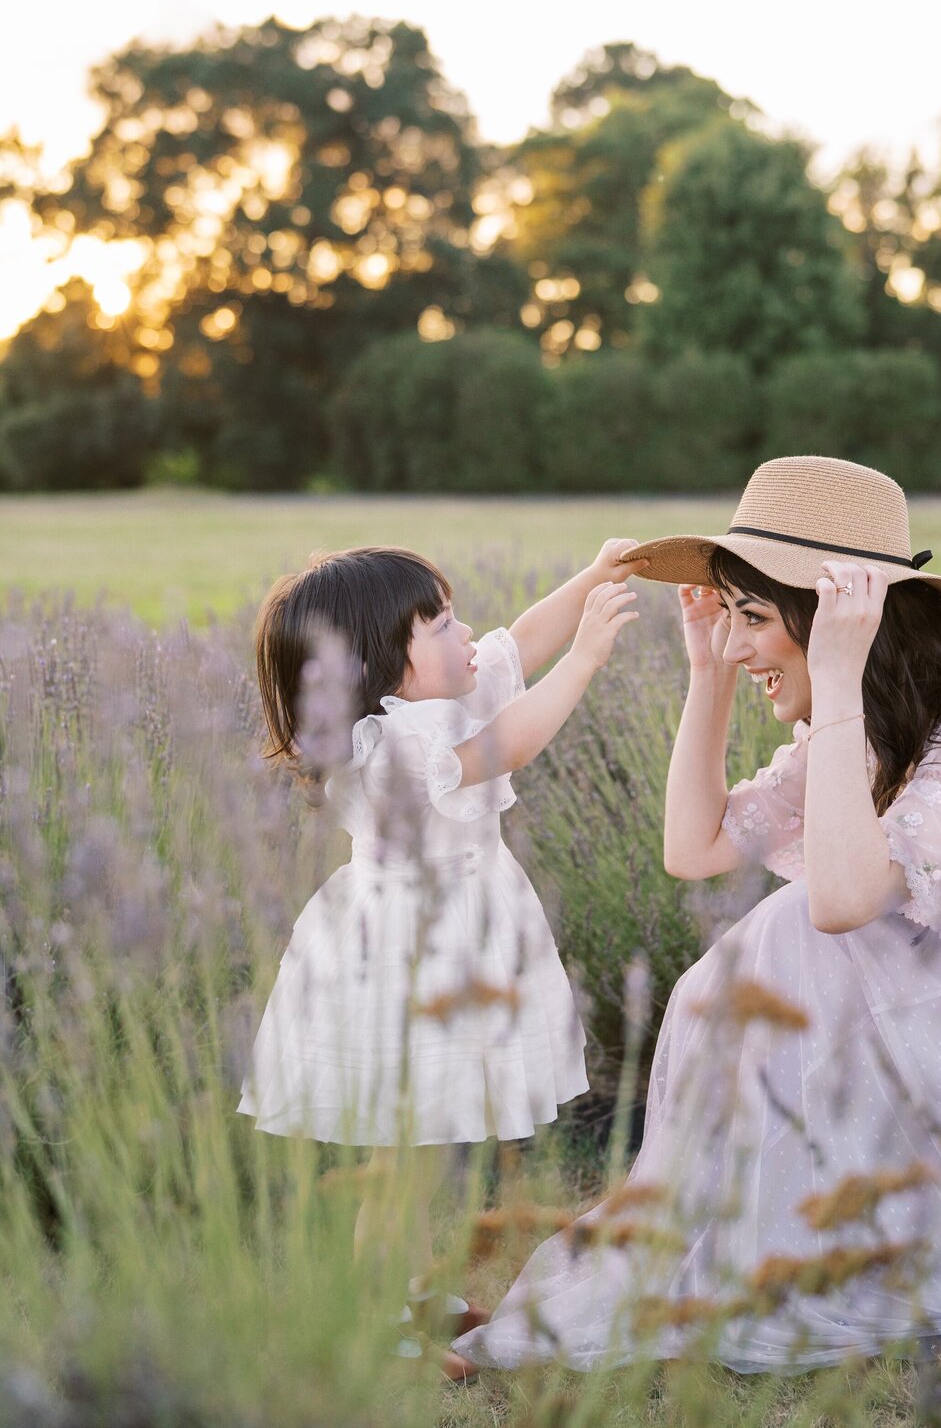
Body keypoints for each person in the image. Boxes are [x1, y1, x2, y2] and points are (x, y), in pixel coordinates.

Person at [454, 455, 941, 1375]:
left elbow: (846, 902)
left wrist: (838, 680)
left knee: (804, 928)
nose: (735, 642)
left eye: (753, 617)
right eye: (727, 615)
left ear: (846, 617)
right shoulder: (870, 723)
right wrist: (706, 675)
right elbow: (697, 850)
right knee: (784, 938)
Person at [238, 540, 642, 1378]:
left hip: (453, 939)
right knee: (402, 1159)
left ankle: (412, 1294)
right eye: (442, 623)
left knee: (420, 1151)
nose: (467, 635)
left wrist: (593, 575)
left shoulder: (433, 699)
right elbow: (510, 747)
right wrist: (589, 659)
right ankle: (374, 1324)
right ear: (385, 664)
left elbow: (518, 642)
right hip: (404, 959)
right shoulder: (387, 747)